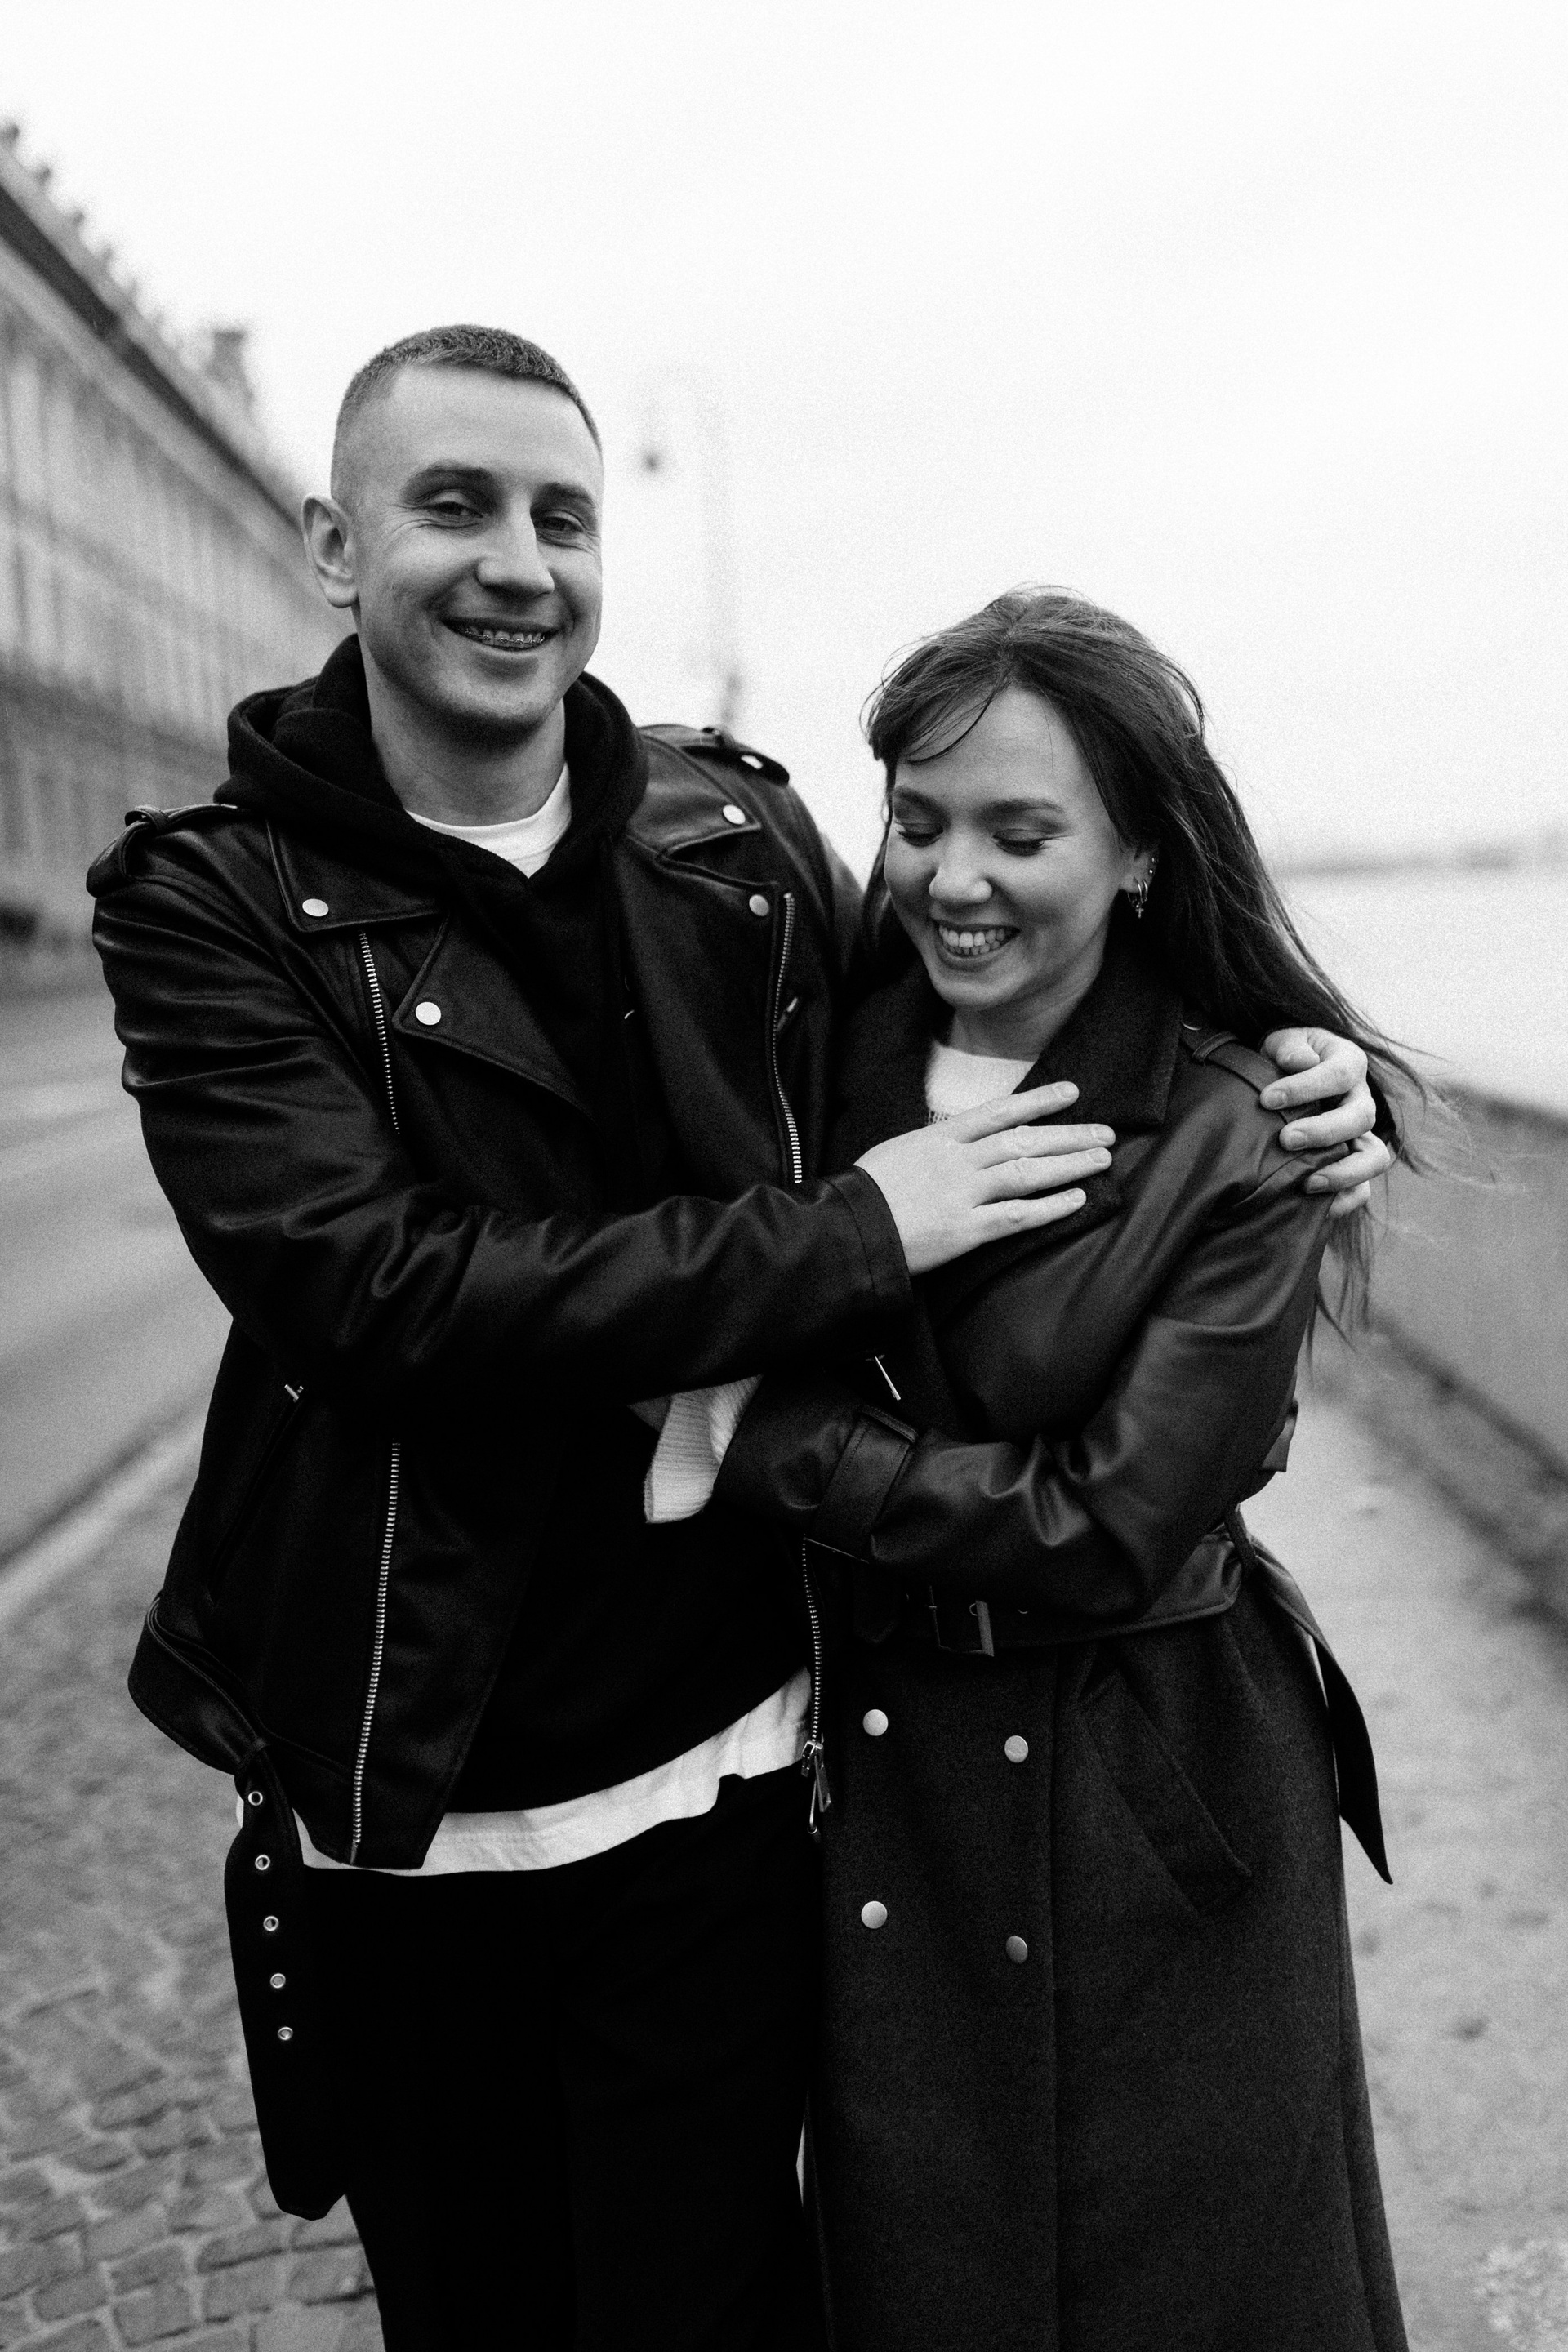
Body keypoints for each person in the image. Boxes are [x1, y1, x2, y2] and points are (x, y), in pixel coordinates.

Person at [87, 330, 1388, 2350]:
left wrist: (1292, 1071)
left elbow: (999, 987)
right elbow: (374, 1289)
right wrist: (858, 1235)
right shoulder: (214, 900)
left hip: (741, 1758)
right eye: (454, 507)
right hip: (421, 1781)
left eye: (562, 515)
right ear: (336, 548)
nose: (517, 563)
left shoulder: (735, 843)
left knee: (755, 2303)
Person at [715, 590, 1412, 2351]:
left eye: (1021, 834)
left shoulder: (1242, 1121)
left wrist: (777, 1447)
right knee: (927, 2274)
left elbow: (1111, 1525)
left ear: (1140, 856)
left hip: (1152, 1778)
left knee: (1205, 2281)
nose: (954, 877)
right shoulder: (809, 1059)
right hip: (888, 1781)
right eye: (919, 820)